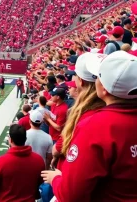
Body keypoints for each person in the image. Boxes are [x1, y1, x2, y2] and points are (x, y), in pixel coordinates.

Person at [41, 51, 137, 202]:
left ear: (104, 89)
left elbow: (71, 195)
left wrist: (56, 179)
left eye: (99, 76)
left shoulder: (97, 125)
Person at [0, 124, 44, 202]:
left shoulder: (0, 162)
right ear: (25, 139)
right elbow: (40, 182)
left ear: (10, 140)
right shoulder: (38, 160)